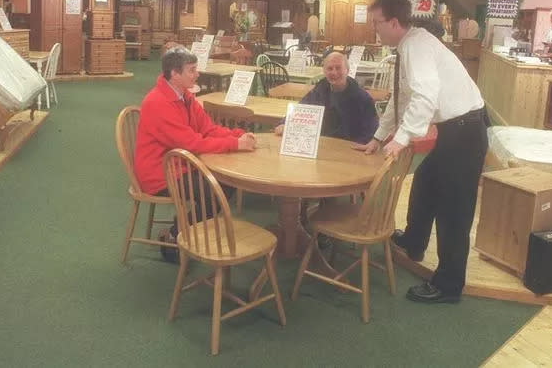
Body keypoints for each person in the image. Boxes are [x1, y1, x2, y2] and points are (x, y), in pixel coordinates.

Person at [352, 0, 488, 304]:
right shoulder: (409, 44)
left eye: (377, 23)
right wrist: (379, 136)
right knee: (425, 184)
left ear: (395, 22)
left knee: (454, 211)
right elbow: (402, 98)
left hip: (465, 132)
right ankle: (414, 241)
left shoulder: (416, 46)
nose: (375, 29)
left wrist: (400, 140)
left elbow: (425, 97)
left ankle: (449, 285)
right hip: (455, 129)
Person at [135, 47, 256, 261]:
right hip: (158, 173)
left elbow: (207, 129)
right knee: (216, 189)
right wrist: (235, 144)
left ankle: (183, 228)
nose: (197, 74)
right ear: (174, 74)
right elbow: (191, 143)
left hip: (179, 163)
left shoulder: (185, 96)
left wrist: (237, 134)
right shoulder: (157, 103)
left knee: (225, 183)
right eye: (191, 70)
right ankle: (175, 236)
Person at [274, 52, 378, 144]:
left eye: (338, 68)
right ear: (324, 71)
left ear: (347, 70)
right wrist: (285, 123)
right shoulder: (318, 92)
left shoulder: (362, 98)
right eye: (330, 68)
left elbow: (371, 130)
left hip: (350, 148)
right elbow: (300, 110)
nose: (334, 72)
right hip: (322, 145)